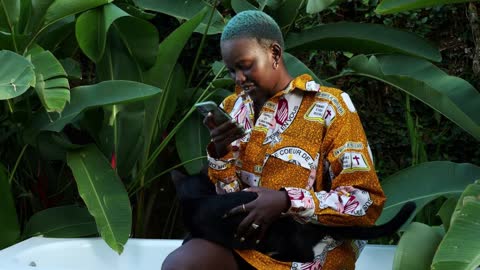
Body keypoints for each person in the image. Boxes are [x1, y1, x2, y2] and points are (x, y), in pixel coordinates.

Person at [162, 10, 385, 270]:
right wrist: (221, 153)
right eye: (232, 71)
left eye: (245, 66)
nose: (239, 79)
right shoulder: (233, 107)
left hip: (306, 254)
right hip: (246, 244)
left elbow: (366, 203)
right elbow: (229, 199)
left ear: (275, 54)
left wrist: (287, 201)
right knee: (183, 263)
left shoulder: (331, 107)